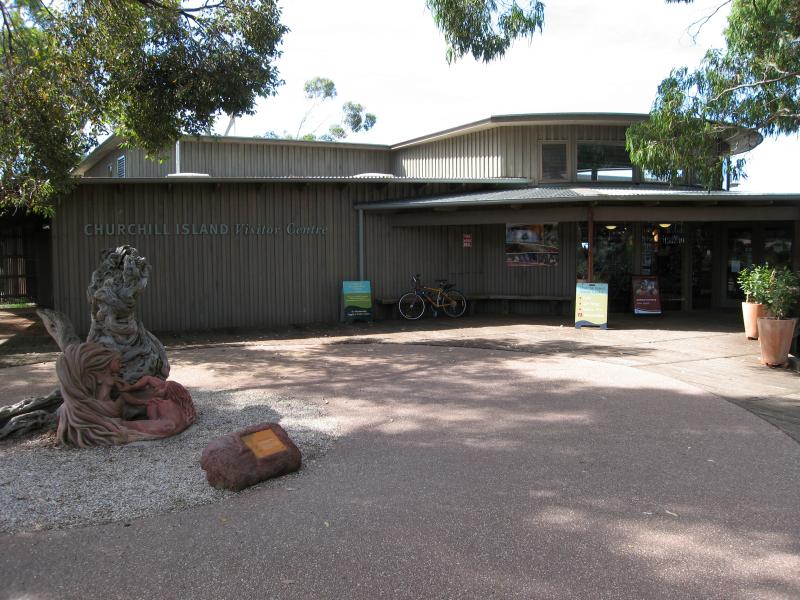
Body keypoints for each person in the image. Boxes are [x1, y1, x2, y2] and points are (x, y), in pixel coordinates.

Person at [56, 342, 195, 447]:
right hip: (108, 410)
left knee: (165, 424)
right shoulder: (100, 378)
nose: (121, 365)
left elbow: (132, 392)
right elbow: (140, 384)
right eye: (118, 361)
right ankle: (121, 425)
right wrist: (132, 391)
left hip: (113, 411)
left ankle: (121, 425)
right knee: (165, 425)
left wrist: (133, 393)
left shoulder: (163, 402)